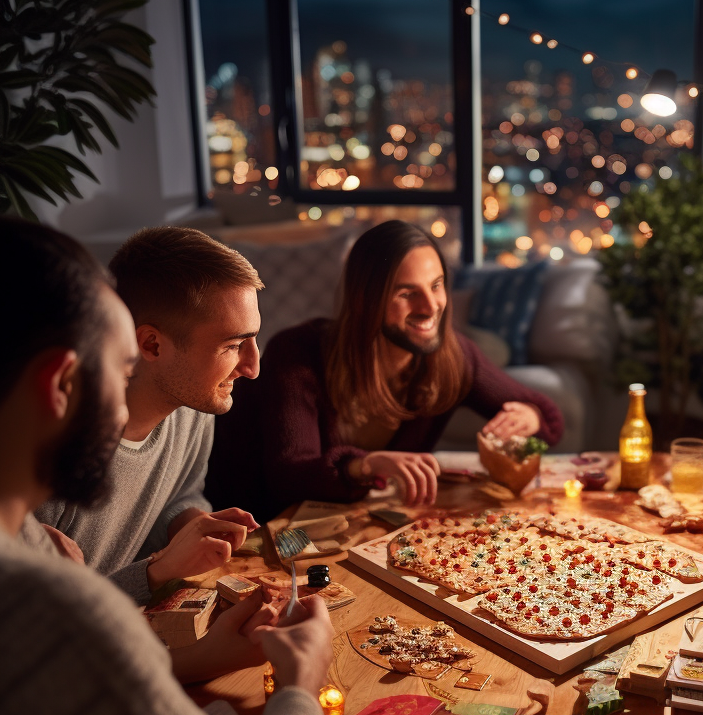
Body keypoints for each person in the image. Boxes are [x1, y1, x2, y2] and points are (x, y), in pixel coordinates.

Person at [0, 220, 483, 715]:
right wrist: (298, 692)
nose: (251, 367)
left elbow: (94, 708)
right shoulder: (48, 592)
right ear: (62, 383)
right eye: (117, 363)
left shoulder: (35, 550)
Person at [205, 220, 563, 518]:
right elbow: (290, 477)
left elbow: (549, 419)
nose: (430, 307)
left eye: (436, 286)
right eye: (407, 293)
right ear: (365, 300)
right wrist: (366, 465)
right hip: (254, 531)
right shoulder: (297, 353)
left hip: (343, 527)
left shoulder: (454, 356)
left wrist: (528, 418)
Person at [35, 226, 265, 608]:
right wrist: (156, 571)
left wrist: (193, 526)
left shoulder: (194, 405)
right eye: (234, 345)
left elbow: (180, 493)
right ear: (152, 344)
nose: (253, 367)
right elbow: (43, 620)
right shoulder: (53, 446)